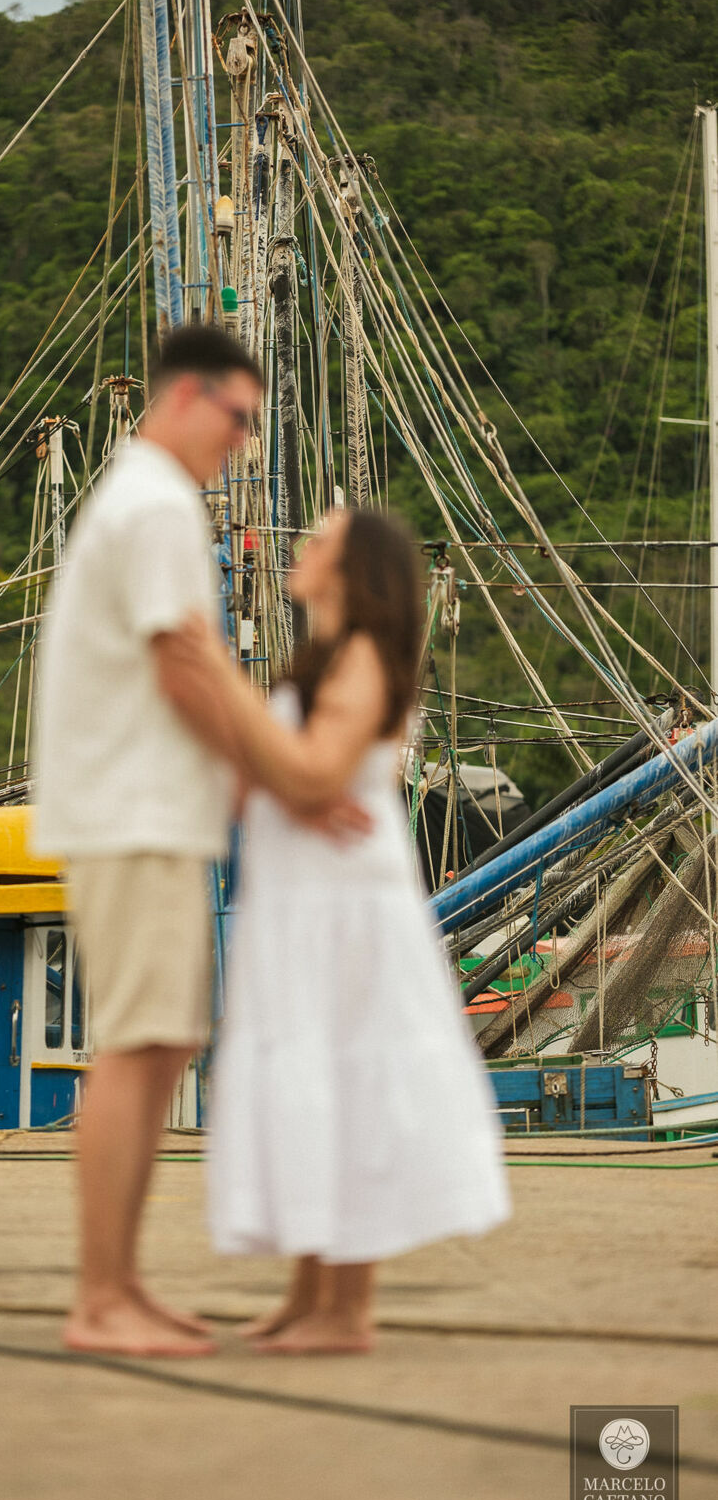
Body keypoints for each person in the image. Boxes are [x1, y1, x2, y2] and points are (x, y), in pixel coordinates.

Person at [35, 325, 365, 1357]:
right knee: (138, 1047)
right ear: (188, 398)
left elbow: (180, 667)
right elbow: (186, 663)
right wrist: (284, 781)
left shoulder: (137, 500)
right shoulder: (161, 503)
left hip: (138, 807)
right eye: (241, 418)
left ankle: (120, 1283)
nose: (245, 441)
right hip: (133, 812)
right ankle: (100, 1295)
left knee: (157, 1040)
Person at [163, 508, 511, 1353]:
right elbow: (274, 778)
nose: (300, 549)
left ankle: (346, 1310)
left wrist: (219, 674)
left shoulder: (362, 658)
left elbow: (316, 772)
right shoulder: (322, 660)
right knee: (305, 1086)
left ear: (354, 572)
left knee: (341, 1085)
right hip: (298, 898)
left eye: (318, 541)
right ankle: (307, 1292)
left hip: (341, 911)